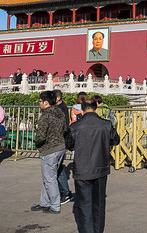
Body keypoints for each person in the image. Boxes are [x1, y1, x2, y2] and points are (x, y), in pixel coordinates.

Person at [66, 95, 120, 232]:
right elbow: (116, 140)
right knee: (99, 204)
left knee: (84, 205)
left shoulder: (75, 127)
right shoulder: (106, 124)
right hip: (101, 168)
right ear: (96, 110)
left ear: (82, 111)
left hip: (82, 170)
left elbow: (69, 145)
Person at [31, 91, 68, 214]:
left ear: (46, 103)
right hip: (60, 148)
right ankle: (44, 202)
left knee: (50, 179)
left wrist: (37, 144)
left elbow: (40, 136)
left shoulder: (45, 116)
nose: (39, 103)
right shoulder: (60, 113)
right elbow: (65, 129)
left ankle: (55, 206)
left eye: (40, 101)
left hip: (49, 150)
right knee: (49, 178)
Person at [53, 89, 73, 205]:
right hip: (59, 141)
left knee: (58, 168)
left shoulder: (61, 108)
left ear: (58, 98)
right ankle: (63, 192)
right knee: (57, 168)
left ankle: (65, 193)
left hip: (59, 141)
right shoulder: (61, 107)